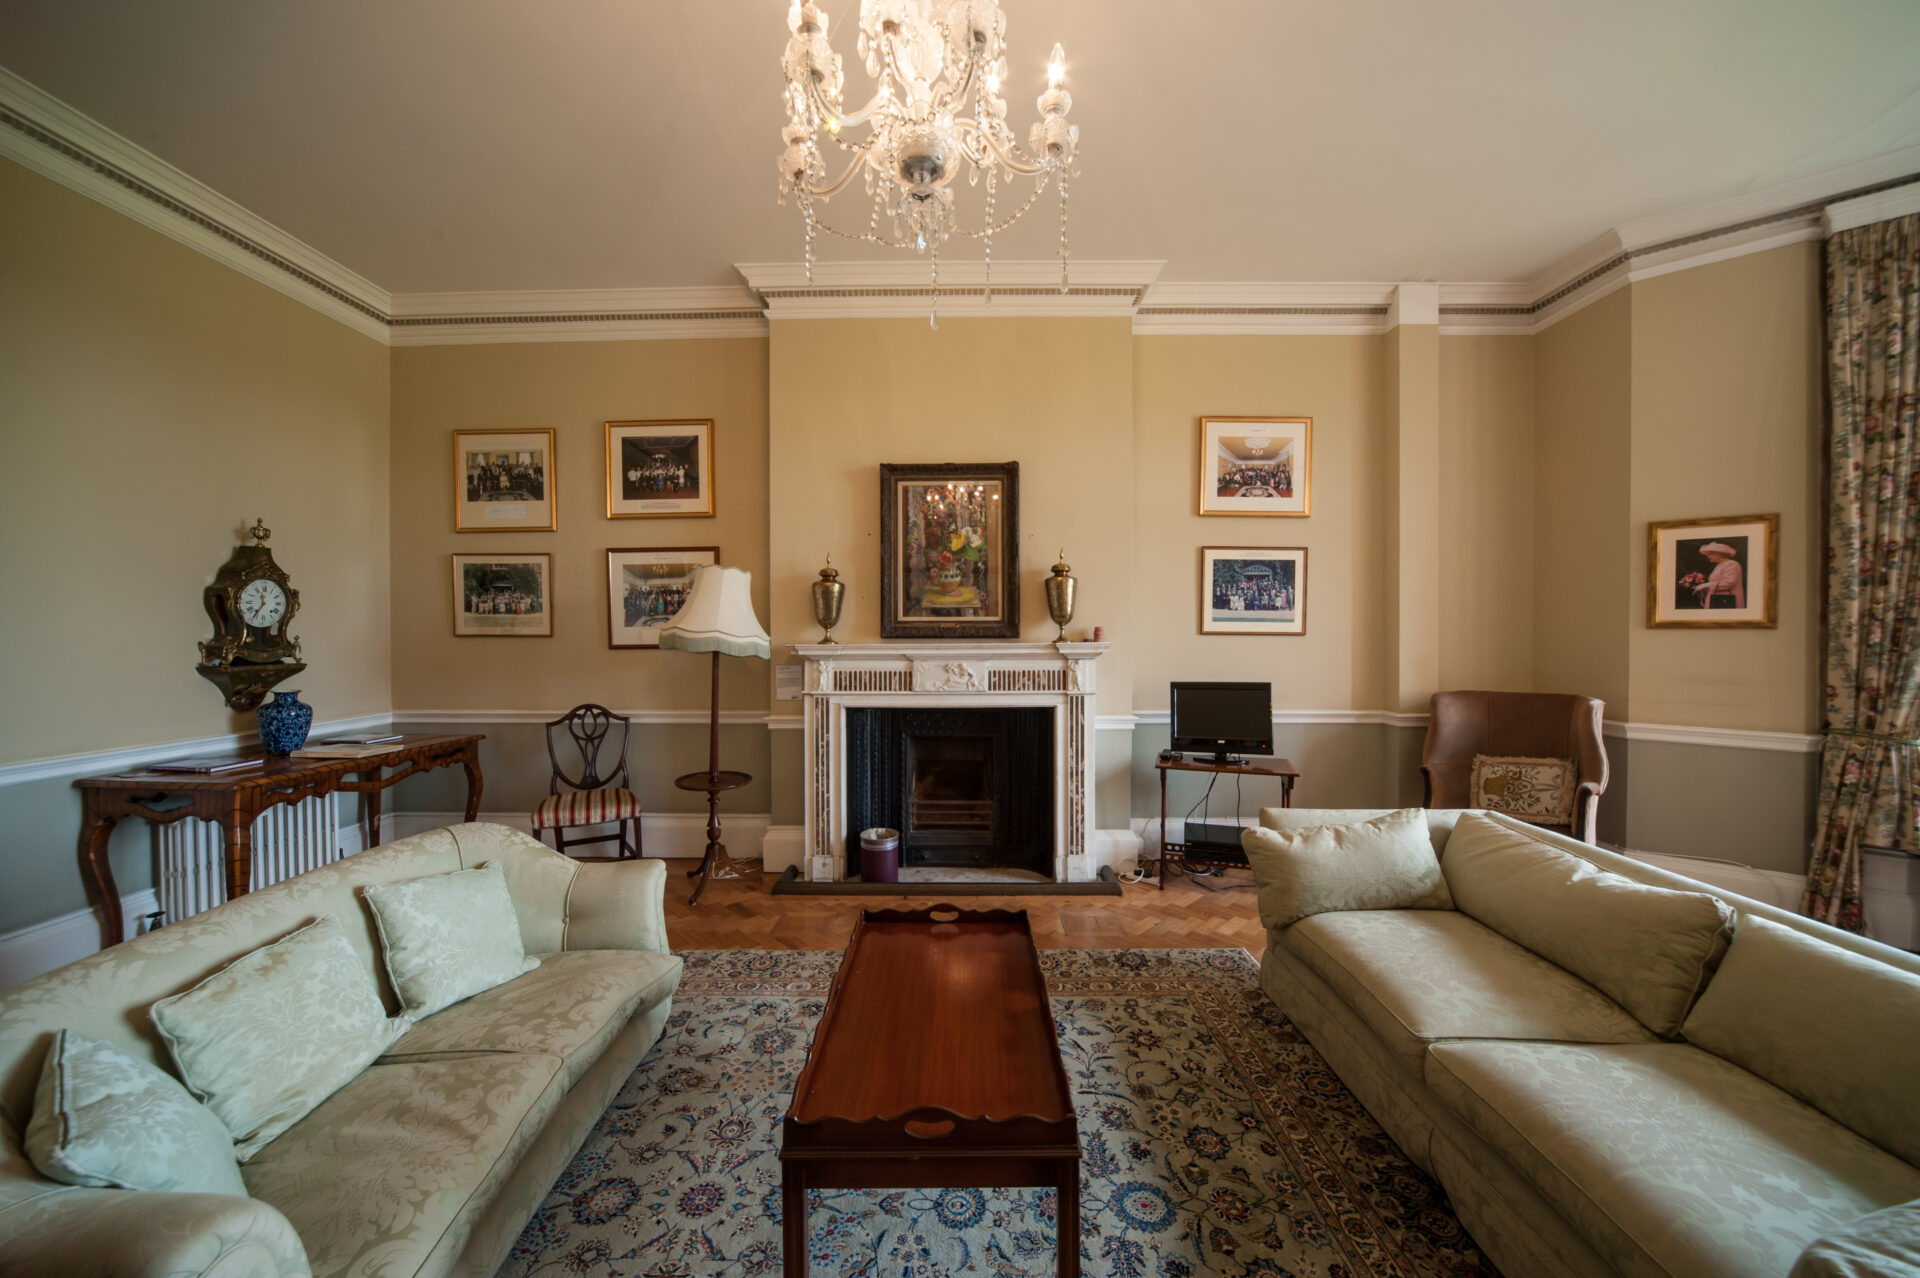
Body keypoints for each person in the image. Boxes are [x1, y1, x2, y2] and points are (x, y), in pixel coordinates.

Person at [1691, 542, 1745, 609]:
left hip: (1727, 602)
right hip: (1716, 601)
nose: (1708, 557)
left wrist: (1707, 585)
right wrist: (1702, 588)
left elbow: (1728, 583)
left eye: (1710, 554)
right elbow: (1716, 586)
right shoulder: (1718, 566)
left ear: (1719, 554)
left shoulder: (1732, 564)